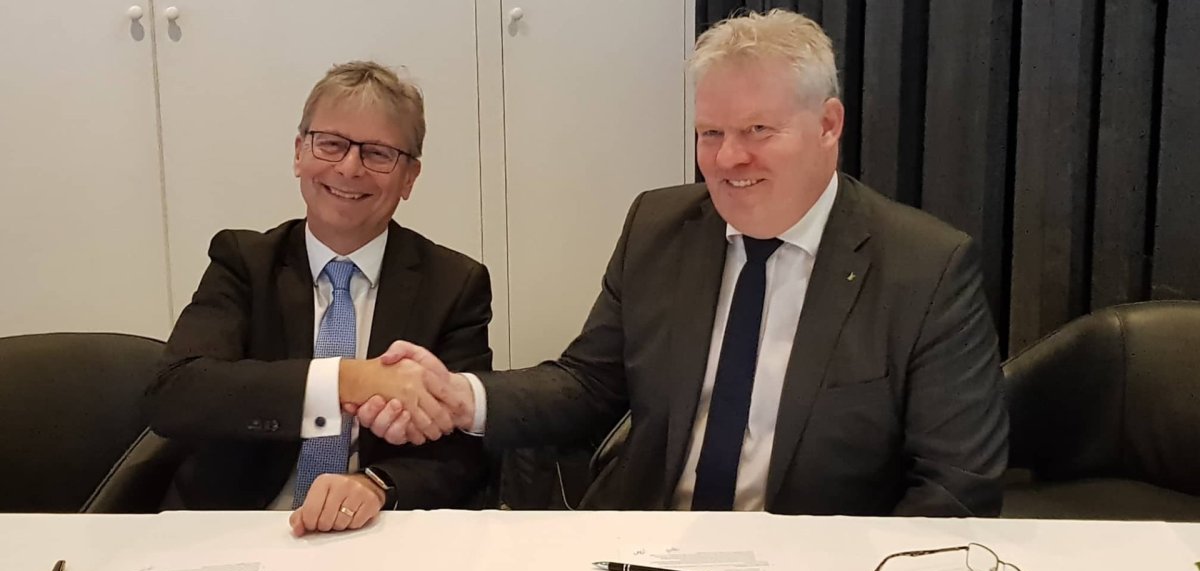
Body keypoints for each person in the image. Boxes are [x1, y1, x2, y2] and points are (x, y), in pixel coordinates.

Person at [362, 8, 1009, 516]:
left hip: (817, 561)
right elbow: (588, 385)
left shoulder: (925, 268)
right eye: (710, 133)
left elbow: (956, 486)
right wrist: (462, 397)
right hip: (649, 546)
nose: (728, 159)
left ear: (828, 125)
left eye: (758, 131)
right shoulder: (660, 227)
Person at [145, 61, 492, 535]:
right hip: (236, 526)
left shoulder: (454, 284)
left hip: (375, 532)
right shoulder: (244, 262)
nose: (349, 168)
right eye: (331, 144)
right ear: (299, 153)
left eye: (378, 153)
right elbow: (177, 395)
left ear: (409, 177)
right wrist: (349, 379)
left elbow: (463, 451)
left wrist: (377, 485)